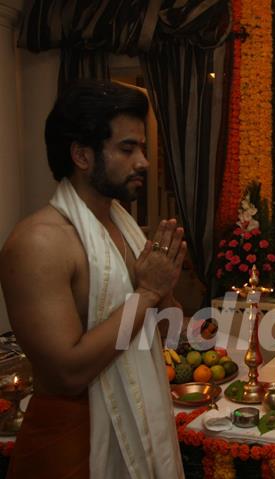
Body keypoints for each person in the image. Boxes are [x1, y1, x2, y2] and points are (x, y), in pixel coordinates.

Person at [0, 80, 187, 478]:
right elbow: (66, 374)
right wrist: (148, 291)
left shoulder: (127, 231)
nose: (144, 162)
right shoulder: (39, 242)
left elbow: (168, 338)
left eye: (142, 147)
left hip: (140, 426)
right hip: (69, 445)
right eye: (127, 148)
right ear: (82, 155)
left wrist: (164, 295)